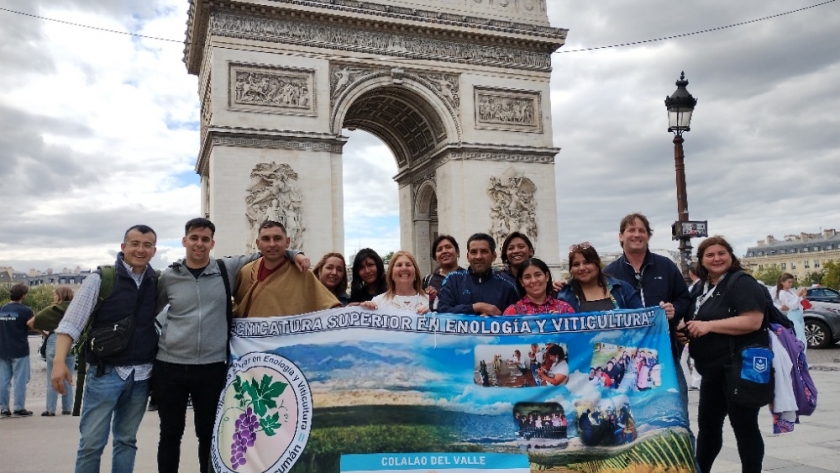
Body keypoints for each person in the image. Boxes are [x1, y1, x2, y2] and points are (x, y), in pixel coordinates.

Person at [154, 217, 307, 473]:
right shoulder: (169, 276)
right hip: (170, 367)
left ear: (212, 243)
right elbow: (151, 313)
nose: (199, 244)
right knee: (170, 434)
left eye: (205, 239)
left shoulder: (227, 268)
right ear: (184, 241)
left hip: (212, 368)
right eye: (194, 238)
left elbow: (267, 250)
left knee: (209, 434)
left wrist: (296, 254)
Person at [52, 225, 160, 473]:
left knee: (126, 441)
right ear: (123, 247)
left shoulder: (157, 281)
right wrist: (59, 362)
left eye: (147, 245)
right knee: (91, 443)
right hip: (105, 373)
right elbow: (71, 323)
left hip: (142, 375)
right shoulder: (100, 279)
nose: (140, 249)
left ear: (154, 250)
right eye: (135, 243)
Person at [684, 236, 768, 473]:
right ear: (701, 260)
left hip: (738, 369)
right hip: (712, 371)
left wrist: (709, 326)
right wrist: (686, 331)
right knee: (708, 428)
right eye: (709, 255)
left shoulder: (741, 282)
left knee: (744, 428)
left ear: (731, 256)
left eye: (722, 253)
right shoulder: (700, 287)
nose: (716, 258)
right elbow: (695, 319)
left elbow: (753, 321)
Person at [234, 220, 339, 317]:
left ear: (287, 242)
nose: (272, 244)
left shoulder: (303, 273)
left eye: (277, 238)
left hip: (292, 337)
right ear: (258, 244)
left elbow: (327, 304)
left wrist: (351, 312)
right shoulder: (246, 273)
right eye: (266, 239)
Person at [436, 233, 519, 316]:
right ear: (468, 257)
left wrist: (497, 318)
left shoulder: (508, 288)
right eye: (473, 252)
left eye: (484, 251)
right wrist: (475, 307)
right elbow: (442, 310)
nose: (478, 256)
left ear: (494, 256)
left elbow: (516, 320)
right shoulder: (453, 280)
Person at [27, 286, 75, 416]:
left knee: (52, 375)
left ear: (60, 296)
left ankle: (51, 409)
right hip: (72, 340)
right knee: (68, 377)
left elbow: (31, 323)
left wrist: (44, 333)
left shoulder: (53, 309)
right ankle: (67, 408)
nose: (53, 297)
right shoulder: (75, 308)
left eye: (55, 295)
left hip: (55, 339)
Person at [557, 243, 642, 312]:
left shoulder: (622, 289)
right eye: (576, 264)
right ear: (571, 269)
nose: (582, 268)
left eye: (587, 263)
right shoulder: (562, 294)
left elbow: (642, 319)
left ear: (597, 264)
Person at [0, 283, 34, 418]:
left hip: (3, 348)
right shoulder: (25, 311)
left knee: (3, 380)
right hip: (19, 348)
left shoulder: (2, 309)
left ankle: (3, 407)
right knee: (20, 379)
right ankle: (19, 407)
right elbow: (32, 325)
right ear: (24, 296)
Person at [361, 251, 429, 314]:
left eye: (408, 265)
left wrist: (433, 315)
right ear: (391, 274)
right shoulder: (378, 302)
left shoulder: (431, 302)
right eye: (399, 265)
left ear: (416, 272)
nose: (404, 268)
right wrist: (364, 311)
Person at [503, 258, 575, 315]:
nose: (534, 281)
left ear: (547, 277)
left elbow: (575, 333)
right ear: (521, 282)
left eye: (538, 275)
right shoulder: (512, 312)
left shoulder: (565, 309)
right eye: (527, 277)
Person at [422, 235, 464, 309]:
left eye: (448, 247)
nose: (444, 251)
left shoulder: (469, 277)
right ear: (436, 258)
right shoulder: (427, 280)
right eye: (439, 249)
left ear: (457, 252)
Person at [773, 272, 808, 349]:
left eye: (792, 282)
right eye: (789, 282)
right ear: (783, 282)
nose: (791, 284)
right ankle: (800, 358)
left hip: (799, 314)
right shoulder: (782, 293)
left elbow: (797, 302)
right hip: (793, 315)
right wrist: (798, 296)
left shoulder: (790, 291)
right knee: (801, 338)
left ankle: (802, 358)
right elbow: (792, 306)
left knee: (802, 336)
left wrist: (802, 296)